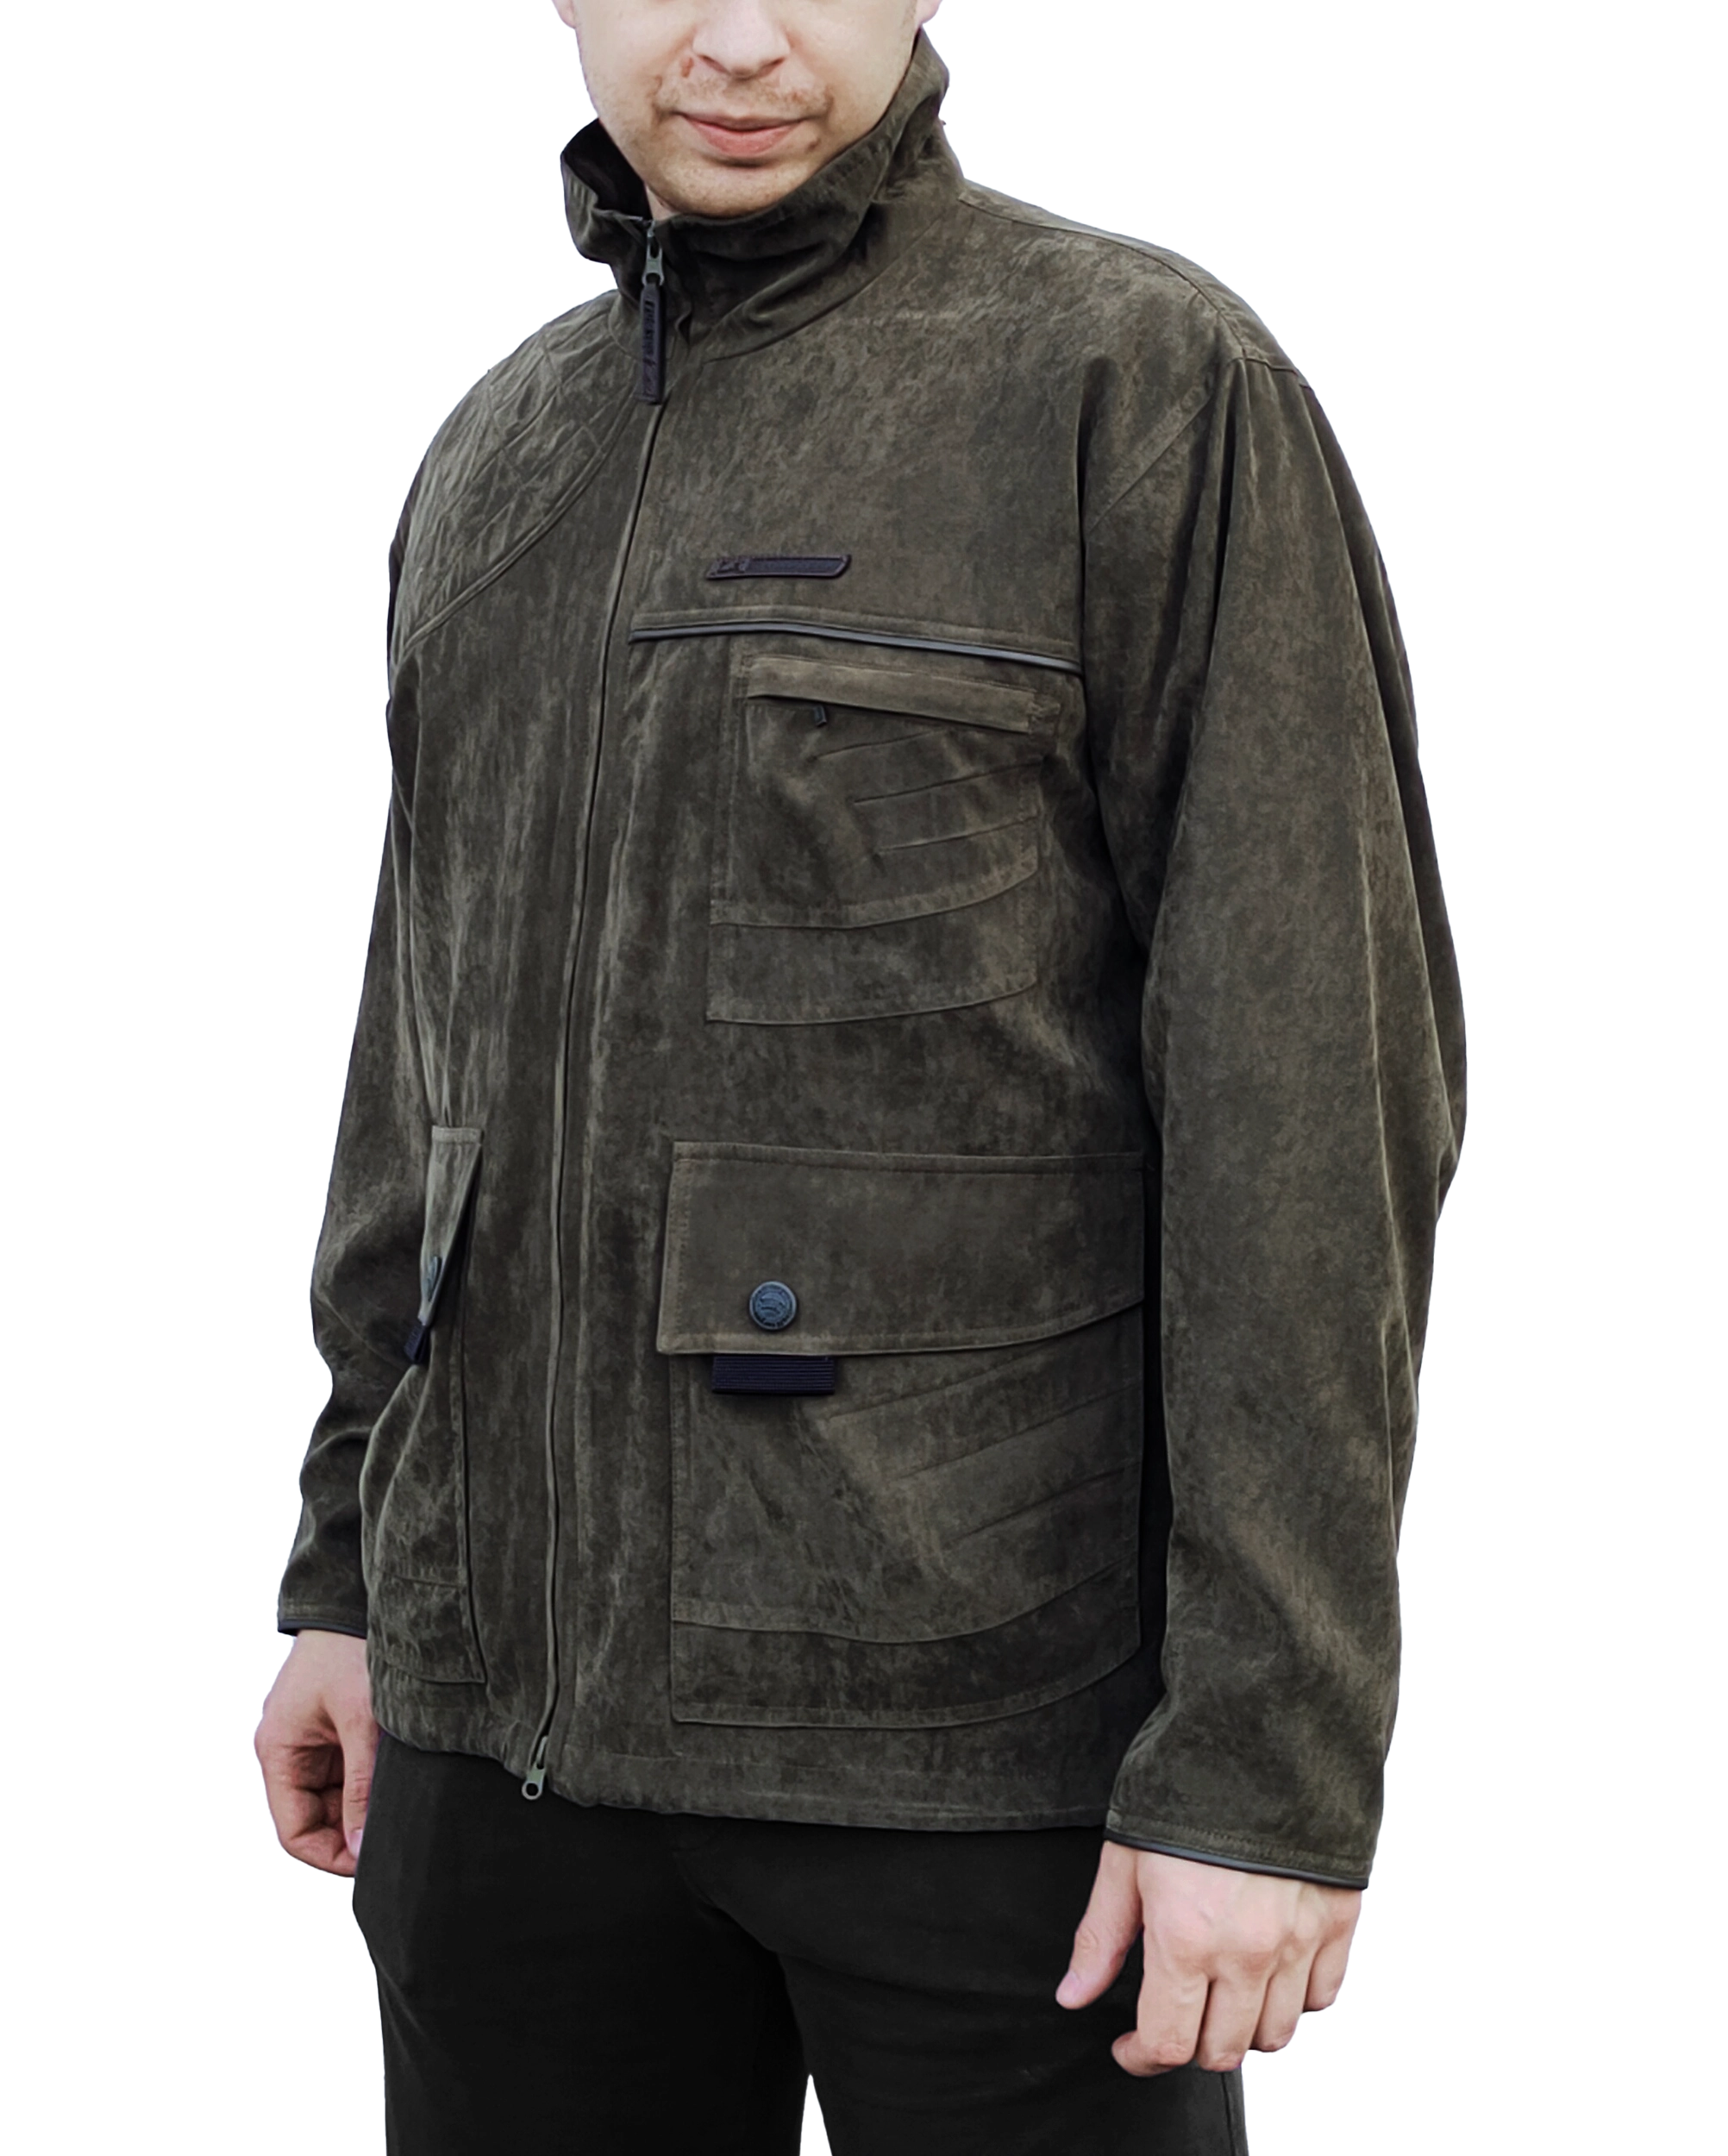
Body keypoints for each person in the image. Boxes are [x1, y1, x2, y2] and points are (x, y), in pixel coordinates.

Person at [251, 2, 1466, 2149]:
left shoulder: (1138, 385)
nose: (738, 42)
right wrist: (348, 1574)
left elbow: (1312, 1096)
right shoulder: (499, 447)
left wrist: (1265, 1765)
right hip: (496, 1766)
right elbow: (412, 1062)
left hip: (992, 1764)